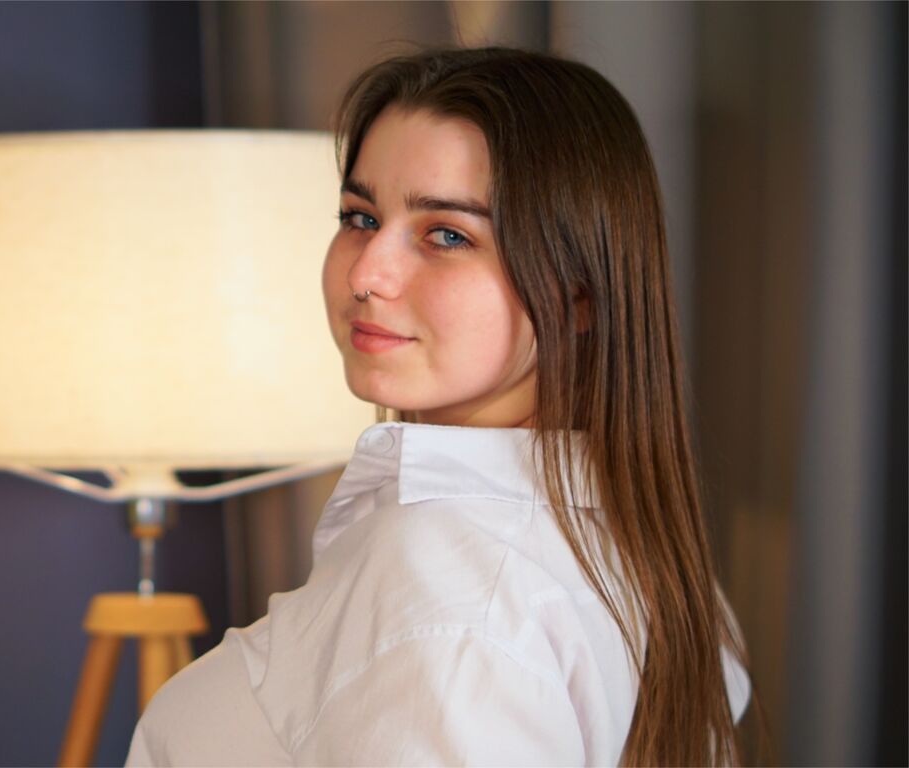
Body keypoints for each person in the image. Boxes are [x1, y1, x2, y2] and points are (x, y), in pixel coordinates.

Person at [126, 46, 752, 767]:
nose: (367, 275)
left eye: (447, 235)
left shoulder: (451, 588)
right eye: (360, 217)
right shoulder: (652, 559)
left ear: (578, 294)